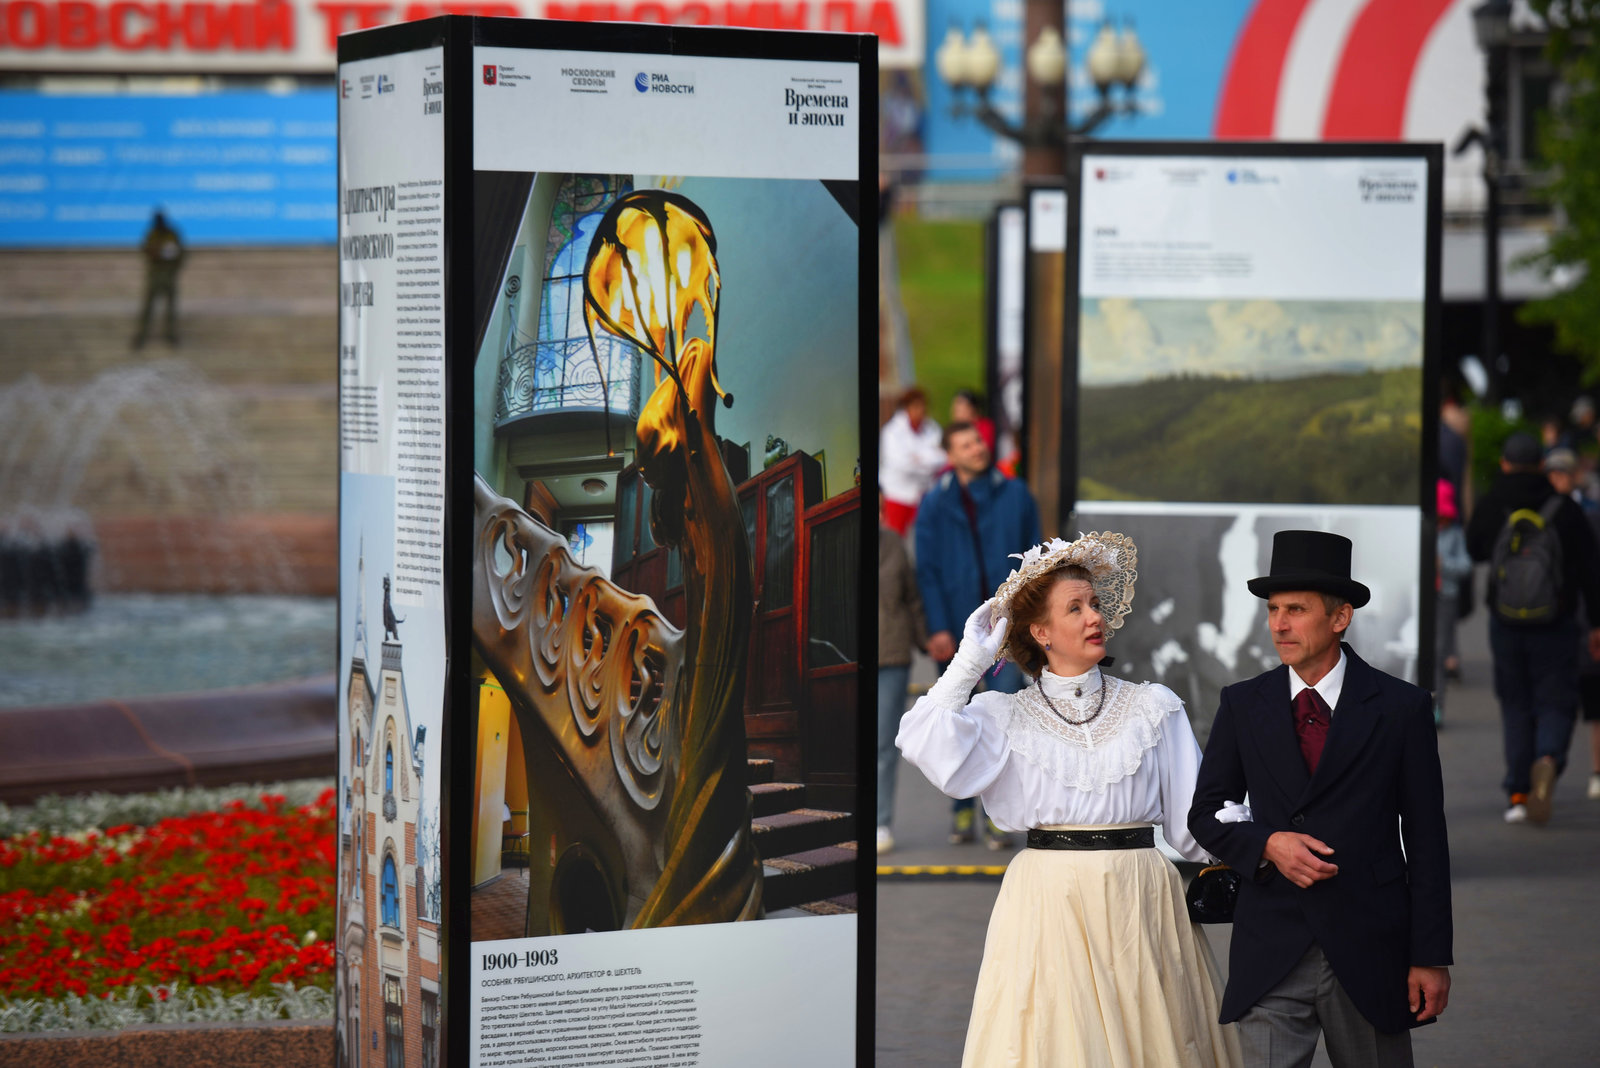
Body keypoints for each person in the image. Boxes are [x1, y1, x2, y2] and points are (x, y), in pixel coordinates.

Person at [897, 533, 1241, 1067]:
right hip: (1046, 902)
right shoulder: (1003, 716)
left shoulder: (1154, 707)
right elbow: (921, 740)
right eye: (1075, 608)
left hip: (1142, 902)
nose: (1093, 617)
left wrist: (1257, 833)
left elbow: (1193, 825)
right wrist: (968, 663)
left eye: (1096, 604)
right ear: (1041, 632)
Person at [1189, 529, 1452, 1068]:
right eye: (1273, 609)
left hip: (1370, 947)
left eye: (1297, 610)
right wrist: (1268, 843)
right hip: (1271, 948)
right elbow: (1206, 812)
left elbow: (1427, 840)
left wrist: (1430, 957)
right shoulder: (1243, 704)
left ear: (1340, 617)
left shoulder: (1402, 708)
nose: (1279, 624)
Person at [915, 420, 1040, 847]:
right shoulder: (934, 505)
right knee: (958, 716)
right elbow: (927, 572)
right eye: (966, 444)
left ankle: (995, 811)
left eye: (979, 441)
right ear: (951, 455)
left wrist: (1024, 619)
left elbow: (1034, 559)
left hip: (1006, 628)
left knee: (1001, 715)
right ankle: (961, 807)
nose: (977, 448)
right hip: (956, 632)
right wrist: (937, 628)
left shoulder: (1016, 495)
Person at [1465, 432, 1600, 824]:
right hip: (1556, 621)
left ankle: (1518, 793)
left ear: (1505, 464)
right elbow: (1591, 570)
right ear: (1542, 464)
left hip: (1505, 622)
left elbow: (1474, 548)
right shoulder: (1563, 507)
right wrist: (1595, 623)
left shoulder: (1495, 502)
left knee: (1515, 704)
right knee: (1555, 699)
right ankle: (1548, 757)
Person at [877, 501, 928, 854]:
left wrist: (929, 640)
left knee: (884, 745)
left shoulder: (893, 543)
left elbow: (912, 598)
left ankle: (879, 822)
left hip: (893, 654)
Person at [878, 386, 946, 537]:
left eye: (923, 406)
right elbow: (900, 464)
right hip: (897, 494)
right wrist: (927, 462)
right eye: (916, 406)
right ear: (906, 408)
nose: (920, 410)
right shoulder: (892, 431)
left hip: (922, 495)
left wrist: (917, 459)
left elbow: (942, 458)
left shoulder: (932, 428)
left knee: (924, 538)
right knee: (895, 539)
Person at [1434, 481, 1472, 726]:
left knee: (1438, 651)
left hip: (1445, 596)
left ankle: (1436, 705)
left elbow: (1465, 566)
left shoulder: (1455, 534)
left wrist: (1442, 564)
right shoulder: (1420, 528)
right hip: (1420, 596)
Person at [132, 210, 184, 349]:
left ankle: (170, 334)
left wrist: (173, 265)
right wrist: (158, 252)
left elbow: (181, 253)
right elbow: (146, 250)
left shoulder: (172, 234)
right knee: (148, 308)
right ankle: (142, 335)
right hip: (155, 276)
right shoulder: (152, 234)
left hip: (168, 276)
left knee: (170, 308)